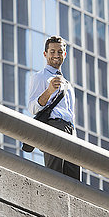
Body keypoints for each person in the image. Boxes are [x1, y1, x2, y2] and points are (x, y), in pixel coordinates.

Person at [26, 36, 80, 181]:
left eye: (60, 51)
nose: (56, 55)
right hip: (54, 126)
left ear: (65, 54)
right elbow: (32, 108)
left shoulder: (68, 85)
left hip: (70, 130)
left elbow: (70, 114)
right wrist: (49, 91)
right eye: (52, 51)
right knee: (54, 174)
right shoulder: (40, 77)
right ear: (45, 54)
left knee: (74, 177)